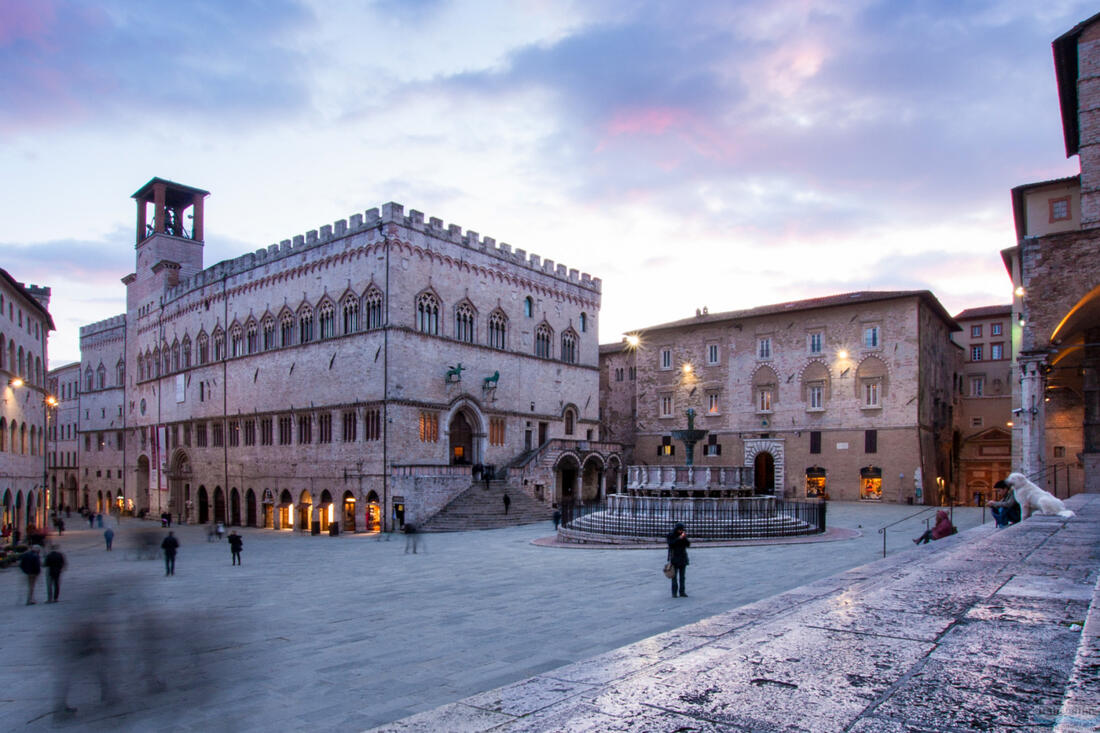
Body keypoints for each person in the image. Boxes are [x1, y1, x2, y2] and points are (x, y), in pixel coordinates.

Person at [667, 523, 690, 598]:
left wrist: (685, 538)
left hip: (683, 557)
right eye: (680, 530)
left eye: (682, 530)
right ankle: (674, 592)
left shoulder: (683, 536)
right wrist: (679, 538)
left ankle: (682, 592)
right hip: (675, 557)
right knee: (674, 576)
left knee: (682, 576)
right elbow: (671, 544)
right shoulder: (671, 535)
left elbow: (688, 544)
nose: (681, 531)